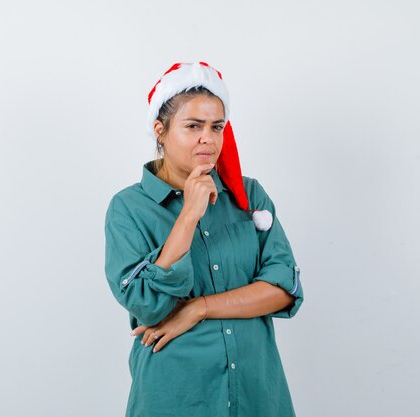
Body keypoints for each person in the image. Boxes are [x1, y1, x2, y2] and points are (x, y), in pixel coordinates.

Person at [104, 62, 304, 417]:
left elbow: (283, 289)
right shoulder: (128, 208)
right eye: (193, 126)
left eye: (217, 127)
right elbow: (147, 306)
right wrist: (189, 214)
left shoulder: (248, 195)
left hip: (257, 394)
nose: (208, 139)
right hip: (176, 397)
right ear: (160, 131)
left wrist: (199, 308)